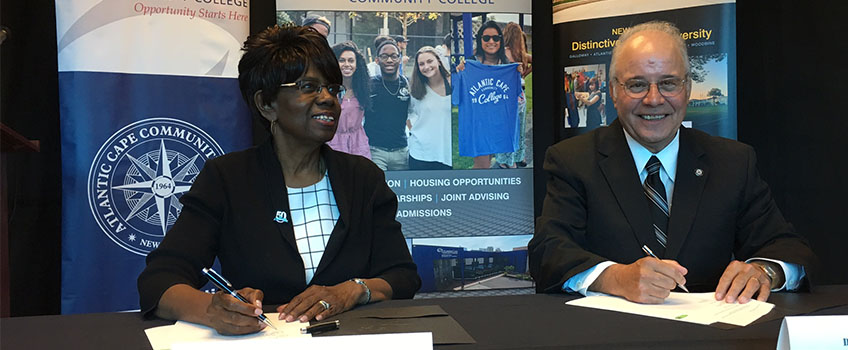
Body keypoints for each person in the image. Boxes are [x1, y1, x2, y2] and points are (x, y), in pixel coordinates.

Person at [137, 25, 420, 335]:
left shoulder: (364, 178)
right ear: (266, 104)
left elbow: (401, 275)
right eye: (309, 86)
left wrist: (353, 290)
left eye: (333, 88)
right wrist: (216, 311)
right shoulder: (227, 179)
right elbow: (159, 281)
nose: (328, 99)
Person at [529, 21, 815, 305]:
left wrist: (763, 271)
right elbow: (548, 252)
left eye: (668, 83)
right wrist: (616, 278)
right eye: (637, 84)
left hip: (712, 337)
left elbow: (788, 247)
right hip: (610, 335)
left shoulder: (733, 162)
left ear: (687, 88)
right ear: (614, 91)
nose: (654, 100)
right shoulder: (572, 160)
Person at [364, 39, 411, 171]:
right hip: (375, 151)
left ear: (400, 59)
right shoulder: (369, 85)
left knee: (402, 191)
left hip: (401, 151)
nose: (389, 60)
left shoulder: (408, 85)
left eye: (394, 56)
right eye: (384, 56)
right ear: (377, 60)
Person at [407, 46, 452, 170]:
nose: (426, 67)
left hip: (447, 154)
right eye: (421, 64)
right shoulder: (416, 89)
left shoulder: (453, 83)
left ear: (438, 60)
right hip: (421, 154)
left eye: (429, 61)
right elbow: (408, 114)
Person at [495, 22, 531, 168]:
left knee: (506, 130)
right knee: (520, 129)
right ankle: (520, 157)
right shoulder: (521, 54)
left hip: (505, 96)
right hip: (520, 95)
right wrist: (524, 73)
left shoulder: (502, 53)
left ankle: (506, 161)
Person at [327, 41, 372, 159]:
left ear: (357, 65)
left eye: (351, 61)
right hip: (333, 144)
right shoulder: (327, 90)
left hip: (359, 145)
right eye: (342, 60)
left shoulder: (362, 89)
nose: (347, 64)